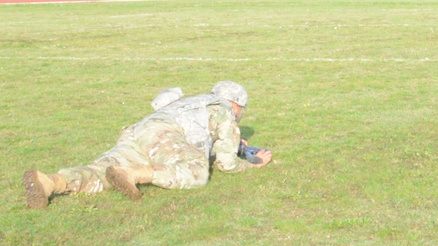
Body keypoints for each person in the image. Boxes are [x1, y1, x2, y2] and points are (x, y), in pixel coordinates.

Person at [23, 81, 272, 209]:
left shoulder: (195, 101)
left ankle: (51, 181)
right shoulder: (224, 110)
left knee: (103, 171)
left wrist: (232, 144)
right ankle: (133, 174)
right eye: (242, 110)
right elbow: (227, 164)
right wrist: (254, 165)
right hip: (164, 134)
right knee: (197, 173)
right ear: (235, 103)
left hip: (138, 131)